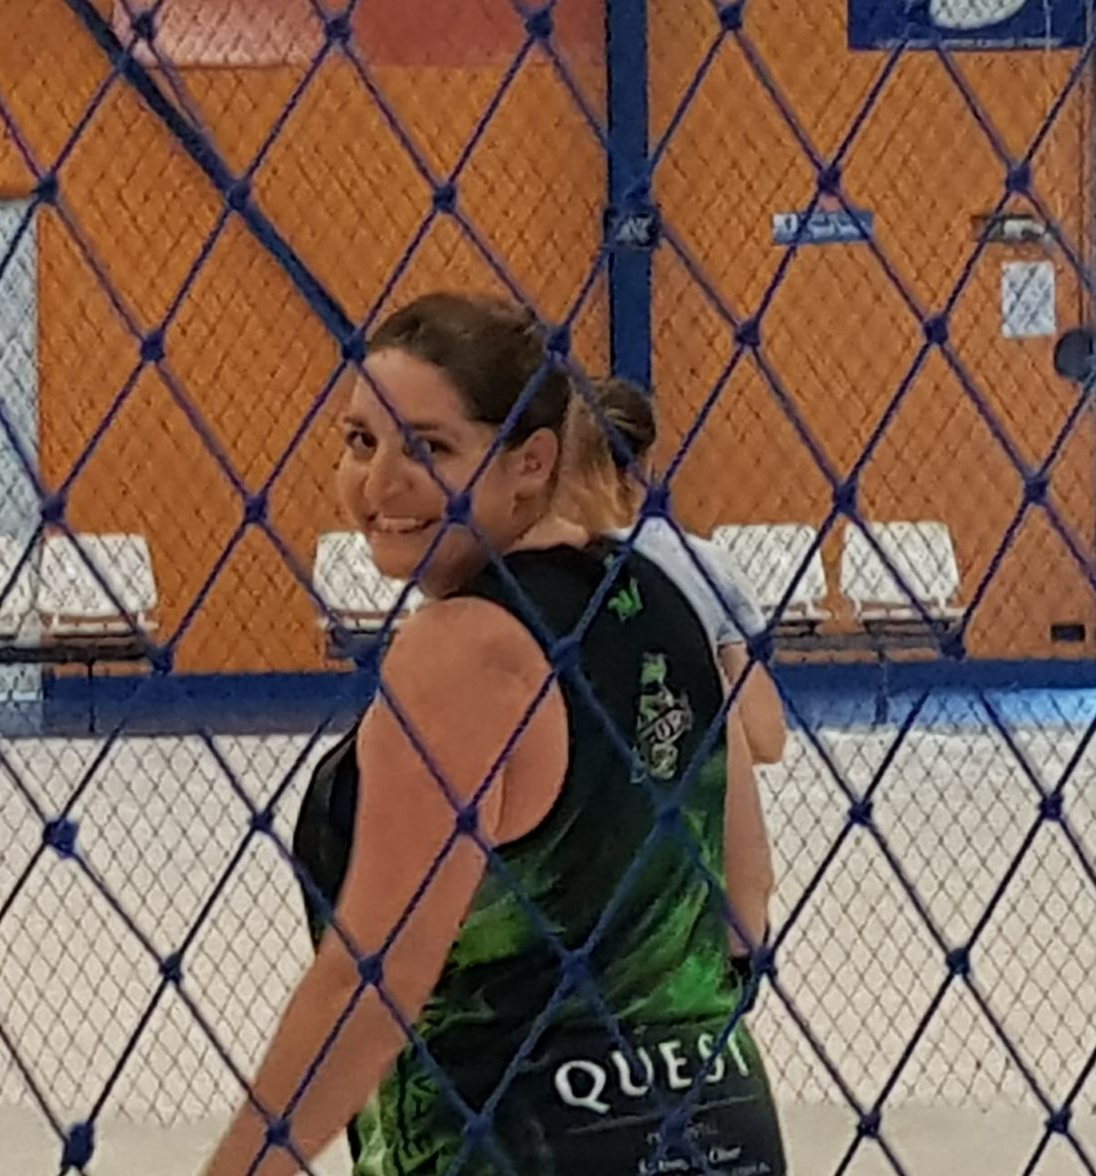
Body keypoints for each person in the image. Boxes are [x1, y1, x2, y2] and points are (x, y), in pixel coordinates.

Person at [202, 292, 785, 1176]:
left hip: (514, 1142)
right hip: (718, 1123)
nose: (379, 483)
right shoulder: (666, 600)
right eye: (361, 442)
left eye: (428, 448)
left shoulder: (461, 652)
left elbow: (375, 981)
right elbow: (744, 910)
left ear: (530, 461)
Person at [558, 378, 788, 767]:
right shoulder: (705, 567)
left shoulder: (525, 566)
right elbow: (765, 739)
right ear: (647, 465)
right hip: (679, 802)